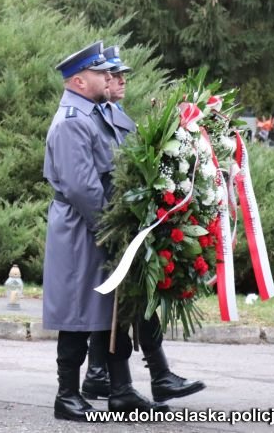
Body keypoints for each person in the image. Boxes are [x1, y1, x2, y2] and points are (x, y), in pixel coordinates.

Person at [43, 41, 166, 421]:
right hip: (84, 228)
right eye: (100, 73)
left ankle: (121, 390)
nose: (109, 78)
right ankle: (67, 394)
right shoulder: (73, 121)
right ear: (79, 80)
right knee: (79, 311)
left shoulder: (95, 114)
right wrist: (114, 228)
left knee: (110, 310)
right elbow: (82, 188)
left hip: (99, 225)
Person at [80, 46, 205, 403]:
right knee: (122, 299)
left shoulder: (117, 115)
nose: (117, 81)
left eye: (119, 75)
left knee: (135, 296)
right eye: (112, 75)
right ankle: (106, 374)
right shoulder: (91, 116)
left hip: (129, 220)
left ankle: (133, 373)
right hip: (109, 222)